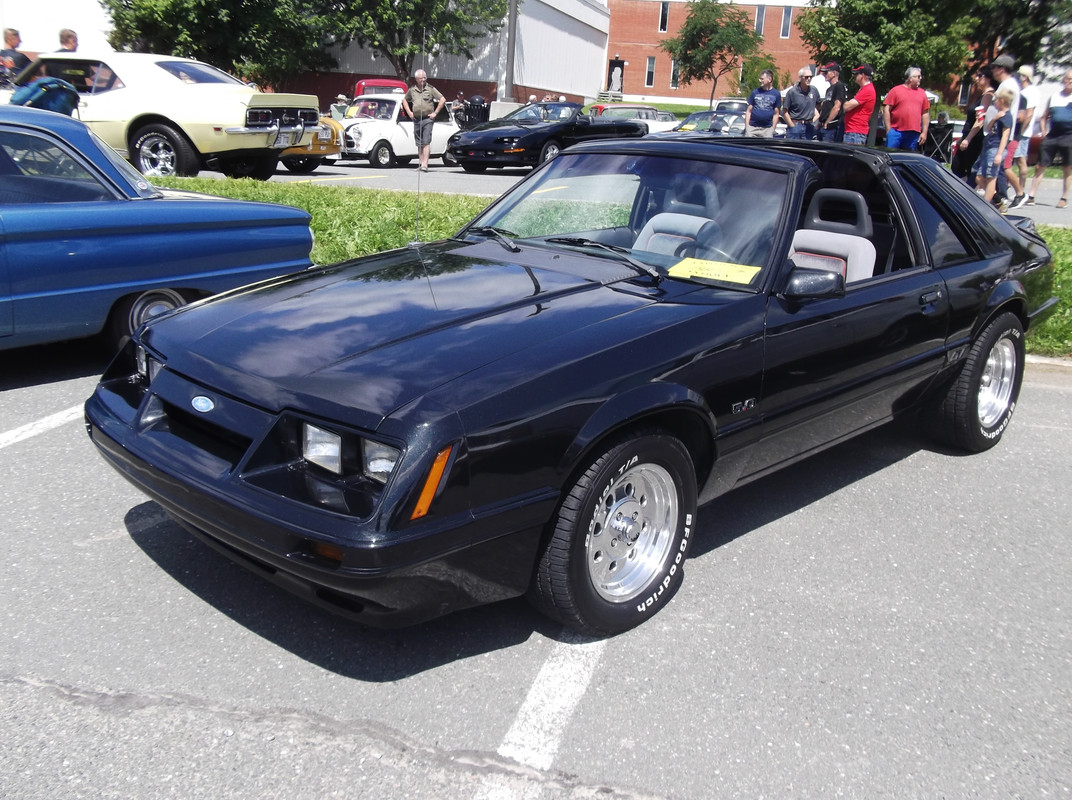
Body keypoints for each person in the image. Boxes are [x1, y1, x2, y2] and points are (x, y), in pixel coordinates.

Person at [1025, 69, 1072, 208]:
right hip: (1053, 135)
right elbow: (1044, 117)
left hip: (1069, 136)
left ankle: (1064, 197)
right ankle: (1031, 195)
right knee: (1040, 165)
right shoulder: (1055, 97)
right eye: (1067, 79)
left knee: (1067, 167)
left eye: (1071, 80)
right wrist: (1044, 130)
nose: (1068, 82)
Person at [989, 54, 1023, 208]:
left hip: (1001, 131)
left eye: (994, 67)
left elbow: (1003, 110)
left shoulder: (1007, 85)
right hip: (1002, 130)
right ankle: (1001, 197)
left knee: (999, 168)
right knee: (1000, 167)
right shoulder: (1012, 84)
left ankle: (1002, 198)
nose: (992, 71)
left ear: (1001, 69)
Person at [971, 87, 1015, 206]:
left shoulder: (1007, 117)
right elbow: (989, 129)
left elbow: (1005, 136)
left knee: (991, 178)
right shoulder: (999, 116)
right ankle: (997, 198)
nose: (994, 102)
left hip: (996, 149)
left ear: (1002, 101)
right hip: (989, 148)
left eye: (996, 100)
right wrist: (994, 118)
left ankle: (986, 204)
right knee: (979, 177)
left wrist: (999, 154)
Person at [953, 67, 995, 181]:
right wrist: (963, 137)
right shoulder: (981, 95)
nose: (977, 78)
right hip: (967, 135)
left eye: (980, 76)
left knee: (969, 168)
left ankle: (974, 193)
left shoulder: (988, 95)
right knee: (957, 166)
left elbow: (980, 120)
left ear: (987, 79)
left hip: (975, 138)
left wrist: (968, 139)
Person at [401, 69, 445, 172]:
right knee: (419, 143)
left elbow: (442, 99)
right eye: (421, 78)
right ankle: (421, 164)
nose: (423, 80)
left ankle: (425, 164)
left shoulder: (430, 89)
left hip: (427, 119)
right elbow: (404, 100)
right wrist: (409, 112)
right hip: (416, 119)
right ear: (416, 79)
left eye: (425, 78)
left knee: (426, 141)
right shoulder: (412, 90)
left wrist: (435, 113)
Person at [1009, 65, 1039, 209]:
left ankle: (1021, 191)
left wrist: (1020, 131)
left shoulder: (1031, 91)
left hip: (1023, 133)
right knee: (1014, 160)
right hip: (1018, 132)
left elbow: (1029, 113)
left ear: (1024, 77)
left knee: (1020, 161)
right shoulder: (1021, 90)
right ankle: (1017, 190)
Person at [882, 66, 930, 150]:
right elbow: (886, 109)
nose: (920, 78)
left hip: (913, 132)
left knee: (907, 157)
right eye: (918, 76)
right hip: (896, 131)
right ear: (910, 78)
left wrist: (924, 132)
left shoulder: (922, 93)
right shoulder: (896, 90)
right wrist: (888, 130)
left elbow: (925, 113)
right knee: (890, 155)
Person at [841, 64, 876, 145]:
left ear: (862, 76)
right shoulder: (865, 89)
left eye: (857, 74)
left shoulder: (867, 90)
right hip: (853, 132)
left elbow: (847, 107)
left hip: (855, 133)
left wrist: (846, 102)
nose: (855, 77)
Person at [782, 67, 820, 140]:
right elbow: (785, 111)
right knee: (792, 149)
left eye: (810, 77)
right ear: (800, 78)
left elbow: (818, 105)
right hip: (795, 125)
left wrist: (813, 119)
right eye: (806, 77)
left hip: (808, 127)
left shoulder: (814, 90)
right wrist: (792, 125)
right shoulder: (792, 92)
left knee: (806, 150)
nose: (809, 79)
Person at [744, 70, 781, 138]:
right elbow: (749, 111)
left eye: (762, 79)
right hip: (752, 128)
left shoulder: (776, 94)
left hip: (767, 130)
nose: (760, 80)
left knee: (765, 148)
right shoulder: (755, 92)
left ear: (769, 79)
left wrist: (772, 129)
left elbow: (776, 113)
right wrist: (747, 126)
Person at [816, 62, 846, 142]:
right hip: (822, 126)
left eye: (826, 72)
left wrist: (827, 122)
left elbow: (837, 107)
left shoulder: (839, 86)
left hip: (831, 128)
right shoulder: (828, 89)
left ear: (834, 73)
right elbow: (826, 107)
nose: (824, 74)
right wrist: (820, 122)